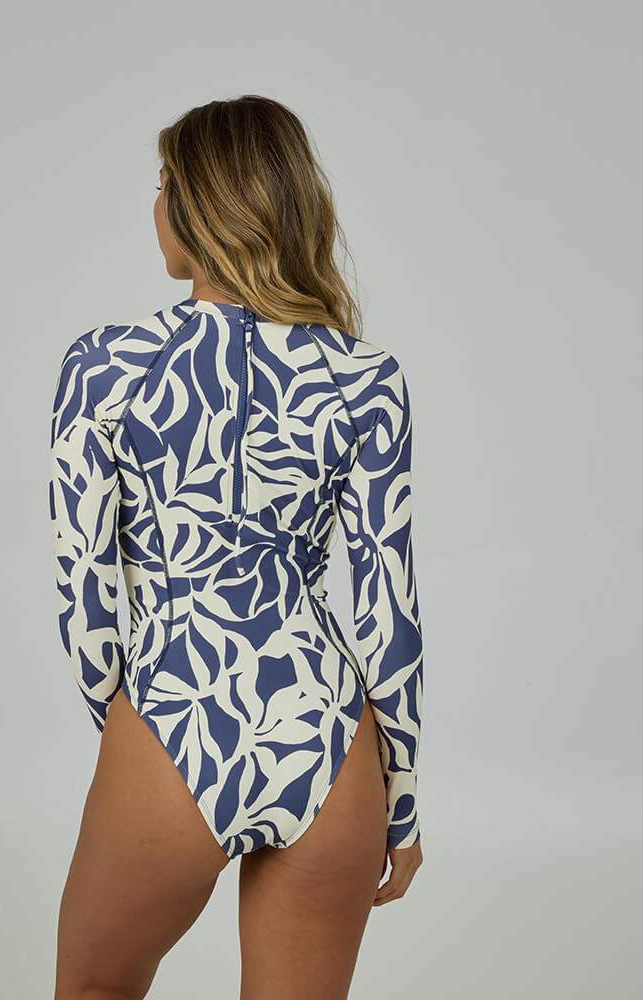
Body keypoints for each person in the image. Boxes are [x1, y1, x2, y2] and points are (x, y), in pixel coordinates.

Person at [48, 94, 424, 1000]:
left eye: (164, 185)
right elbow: (390, 612)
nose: (155, 208)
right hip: (327, 733)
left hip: (176, 711)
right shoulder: (366, 378)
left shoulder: (104, 366)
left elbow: (85, 598)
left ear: (198, 204)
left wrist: (130, 738)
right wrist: (402, 802)